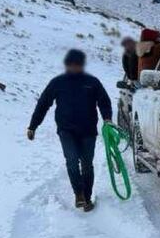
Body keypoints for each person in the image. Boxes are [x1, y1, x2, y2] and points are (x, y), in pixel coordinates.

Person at [27, 49, 113, 212]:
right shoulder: (58, 83)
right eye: (71, 64)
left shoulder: (92, 82)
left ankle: (87, 198)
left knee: (87, 165)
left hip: (88, 131)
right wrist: (33, 126)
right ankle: (79, 194)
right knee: (72, 160)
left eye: (77, 64)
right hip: (66, 130)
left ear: (82, 65)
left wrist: (107, 119)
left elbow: (104, 102)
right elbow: (43, 104)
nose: (74, 67)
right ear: (67, 65)